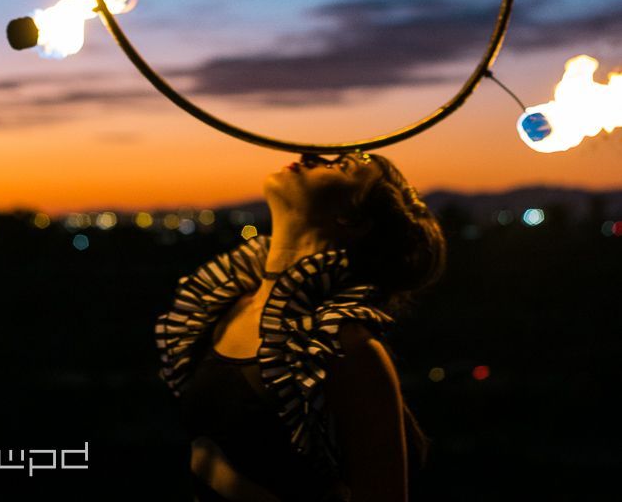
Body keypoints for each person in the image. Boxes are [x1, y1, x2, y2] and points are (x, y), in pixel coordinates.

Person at [155, 151, 446, 501]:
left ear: (353, 220)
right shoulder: (223, 304)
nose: (311, 155)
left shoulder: (347, 350)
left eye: (342, 166)